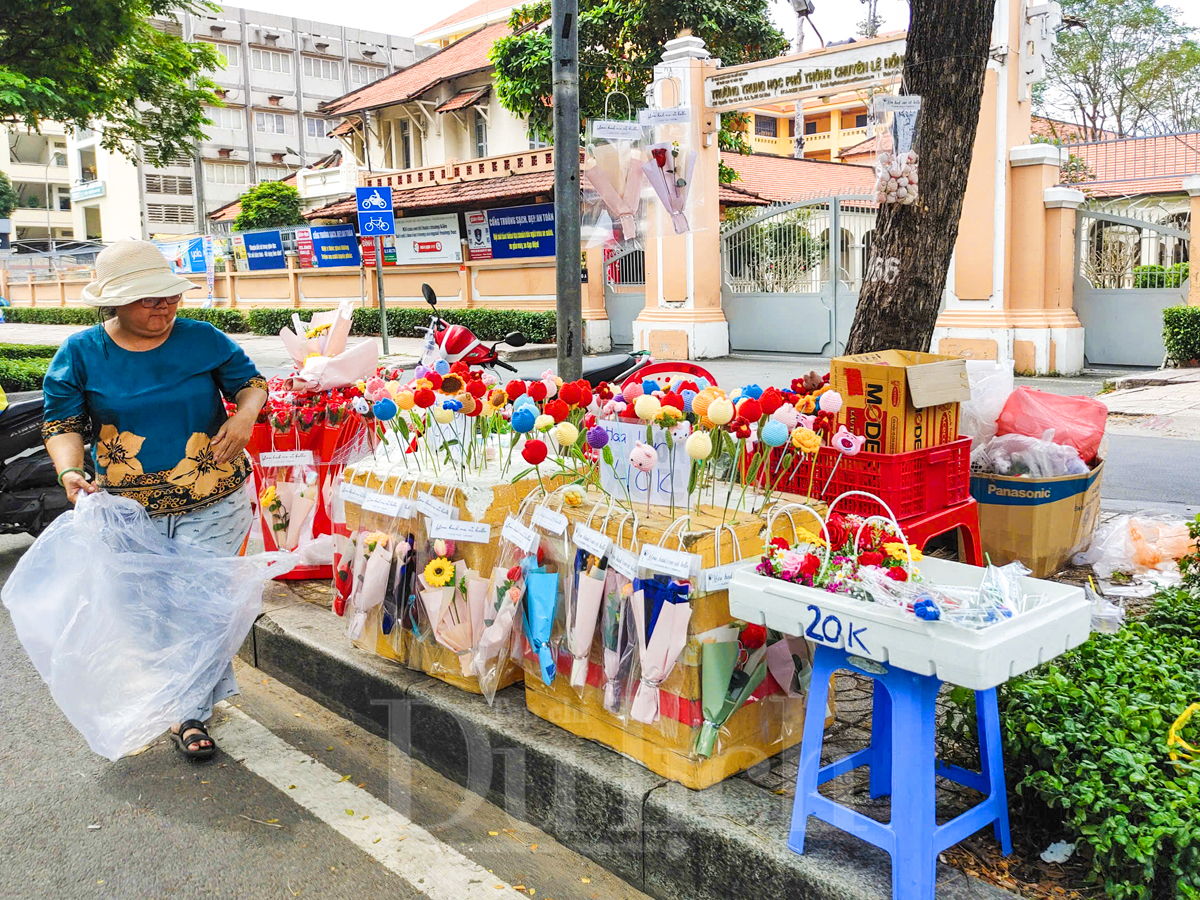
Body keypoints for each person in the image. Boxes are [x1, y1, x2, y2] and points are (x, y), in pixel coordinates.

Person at [41, 239, 268, 762]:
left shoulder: (201, 339)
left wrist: (243, 415)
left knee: (197, 607)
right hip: (126, 511)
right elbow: (63, 422)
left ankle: (187, 713)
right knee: (148, 612)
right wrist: (71, 470)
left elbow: (251, 383)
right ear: (114, 304)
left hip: (212, 496)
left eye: (168, 297)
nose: (163, 308)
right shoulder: (81, 353)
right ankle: (182, 693)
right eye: (147, 299)